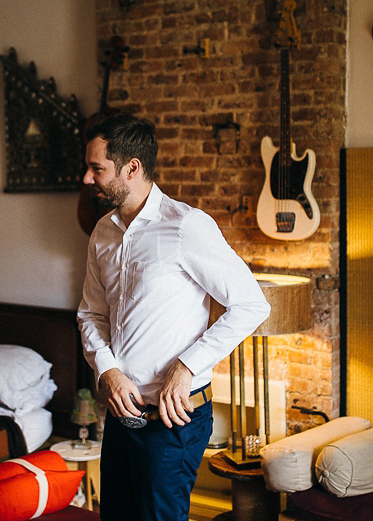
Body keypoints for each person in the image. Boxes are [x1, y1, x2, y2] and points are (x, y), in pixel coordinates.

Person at [76, 114, 271, 521]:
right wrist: (108, 372)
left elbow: (252, 304)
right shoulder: (102, 233)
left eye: (97, 169)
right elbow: (91, 313)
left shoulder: (186, 226)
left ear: (132, 168)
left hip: (173, 421)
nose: (87, 179)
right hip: (120, 413)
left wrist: (187, 366)